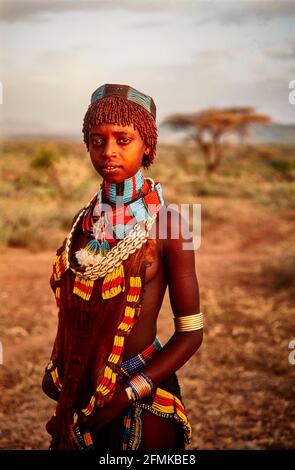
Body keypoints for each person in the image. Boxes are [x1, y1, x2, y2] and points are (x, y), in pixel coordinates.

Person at [42, 83, 203, 450]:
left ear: (147, 144)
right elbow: (74, 311)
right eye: (97, 141)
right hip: (79, 395)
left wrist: (126, 395)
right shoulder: (83, 222)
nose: (108, 152)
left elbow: (191, 334)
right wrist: (58, 366)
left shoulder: (170, 225)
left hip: (140, 397)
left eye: (123, 139)